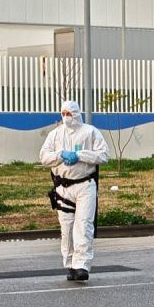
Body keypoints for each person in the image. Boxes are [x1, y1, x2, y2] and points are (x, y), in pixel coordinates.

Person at [39, 101, 109, 281]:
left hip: (85, 185)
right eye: (63, 113)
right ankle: (70, 263)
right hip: (63, 188)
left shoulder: (90, 132)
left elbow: (103, 155)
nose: (66, 117)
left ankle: (82, 265)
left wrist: (80, 155)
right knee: (67, 227)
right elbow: (44, 157)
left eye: (69, 113)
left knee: (84, 225)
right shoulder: (55, 135)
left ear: (77, 114)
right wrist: (60, 155)